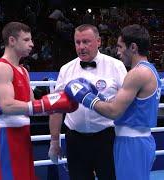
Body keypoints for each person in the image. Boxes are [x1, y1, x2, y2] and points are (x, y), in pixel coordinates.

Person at [65, 24, 162, 180]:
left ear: (133, 47)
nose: (117, 52)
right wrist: (101, 98)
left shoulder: (137, 73)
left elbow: (114, 111)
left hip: (132, 142)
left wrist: (86, 97)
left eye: (120, 46)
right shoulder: (149, 70)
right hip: (136, 140)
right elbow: (127, 105)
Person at [0, 21, 78, 180]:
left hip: (23, 133)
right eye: (26, 40)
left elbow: (32, 104)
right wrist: (42, 104)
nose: (32, 44)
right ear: (12, 41)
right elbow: (7, 105)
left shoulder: (23, 70)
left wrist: (57, 103)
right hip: (6, 133)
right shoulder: (1, 68)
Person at [48, 24, 127, 180]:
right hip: (75, 139)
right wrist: (54, 141)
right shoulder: (66, 69)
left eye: (86, 42)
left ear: (98, 41)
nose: (81, 47)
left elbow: (126, 103)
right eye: (77, 42)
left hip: (106, 138)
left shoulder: (116, 66)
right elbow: (56, 108)